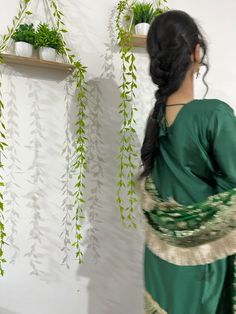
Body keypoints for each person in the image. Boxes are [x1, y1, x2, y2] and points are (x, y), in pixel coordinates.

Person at [135, 9, 236, 314]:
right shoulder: (214, 115)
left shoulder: (155, 121)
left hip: (159, 260)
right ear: (197, 51)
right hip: (203, 265)